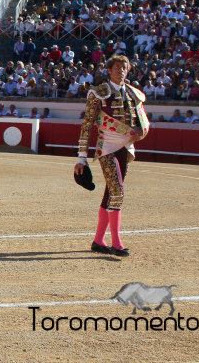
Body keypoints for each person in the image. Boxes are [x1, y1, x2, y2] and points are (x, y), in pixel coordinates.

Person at [75, 55, 149, 258]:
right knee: (117, 192)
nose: (121, 70)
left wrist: (140, 132)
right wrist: (81, 157)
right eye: (117, 67)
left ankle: (98, 241)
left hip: (126, 147)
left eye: (124, 67)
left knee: (110, 193)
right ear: (109, 70)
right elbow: (87, 124)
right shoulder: (98, 93)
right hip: (106, 147)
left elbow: (142, 120)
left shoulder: (133, 93)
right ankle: (116, 242)